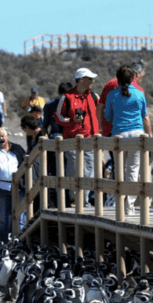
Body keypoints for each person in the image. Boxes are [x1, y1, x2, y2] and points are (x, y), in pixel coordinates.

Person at [104, 65, 152, 215]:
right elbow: (144, 115)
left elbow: (108, 117)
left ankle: (119, 203)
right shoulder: (139, 94)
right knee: (132, 171)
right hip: (137, 135)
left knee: (119, 171)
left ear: (117, 79)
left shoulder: (112, 95)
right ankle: (129, 207)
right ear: (133, 78)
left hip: (119, 135)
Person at [54, 67, 99, 207]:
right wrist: (72, 121)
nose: (92, 81)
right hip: (72, 141)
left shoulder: (93, 96)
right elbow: (58, 116)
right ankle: (74, 201)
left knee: (89, 171)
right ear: (81, 80)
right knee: (74, 170)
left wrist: (99, 132)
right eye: (89, 79)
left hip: (90, 140)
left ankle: (84, 201)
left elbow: (99, 115)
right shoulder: (67, 97)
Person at [0, 127, 27, 242]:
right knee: (3, 219)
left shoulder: (17, 148)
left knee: (20, 218)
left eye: (2, 136)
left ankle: (19, 242)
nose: (1, 138)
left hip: (18, 187)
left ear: (7, 136)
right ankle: (3, 243)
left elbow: (26, 164)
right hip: (1, 187)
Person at [42, 82, 74, 208]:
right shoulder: (49, 105)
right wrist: (45, 136)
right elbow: (44, 126)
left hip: (70, 141)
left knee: (69, 173)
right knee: (57, 173)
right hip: (54, 142)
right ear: (59, 94)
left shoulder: (72, 104)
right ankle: (60, 204)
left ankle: (69, 202)